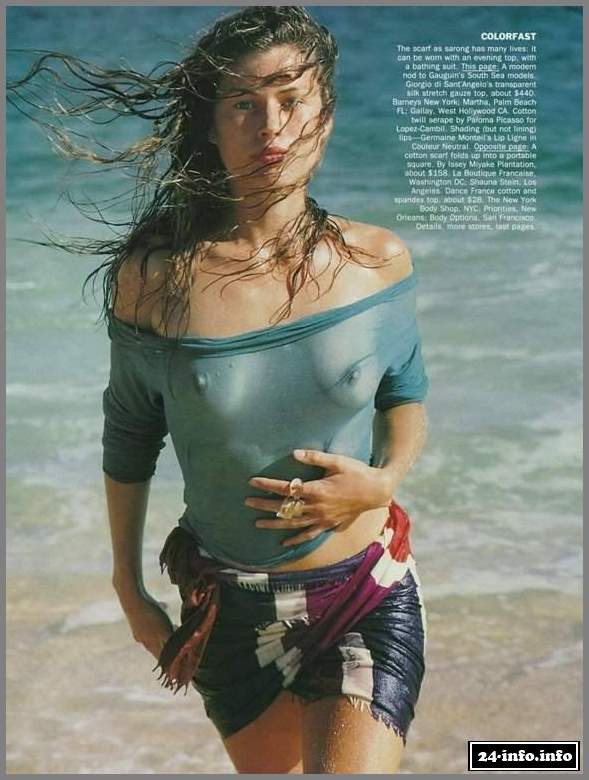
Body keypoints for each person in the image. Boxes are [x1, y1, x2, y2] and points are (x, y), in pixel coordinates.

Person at [10, 6, 429, 774]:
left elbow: (405, 393)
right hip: (229, 608)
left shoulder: (377, 262)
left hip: (363, 588)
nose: (271, 125)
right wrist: (129, 587)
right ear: (210, 124)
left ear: (326, 113)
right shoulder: (155, 280)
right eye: (243, 103)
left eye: (291, 98)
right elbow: (130, 437)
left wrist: (383, 481)